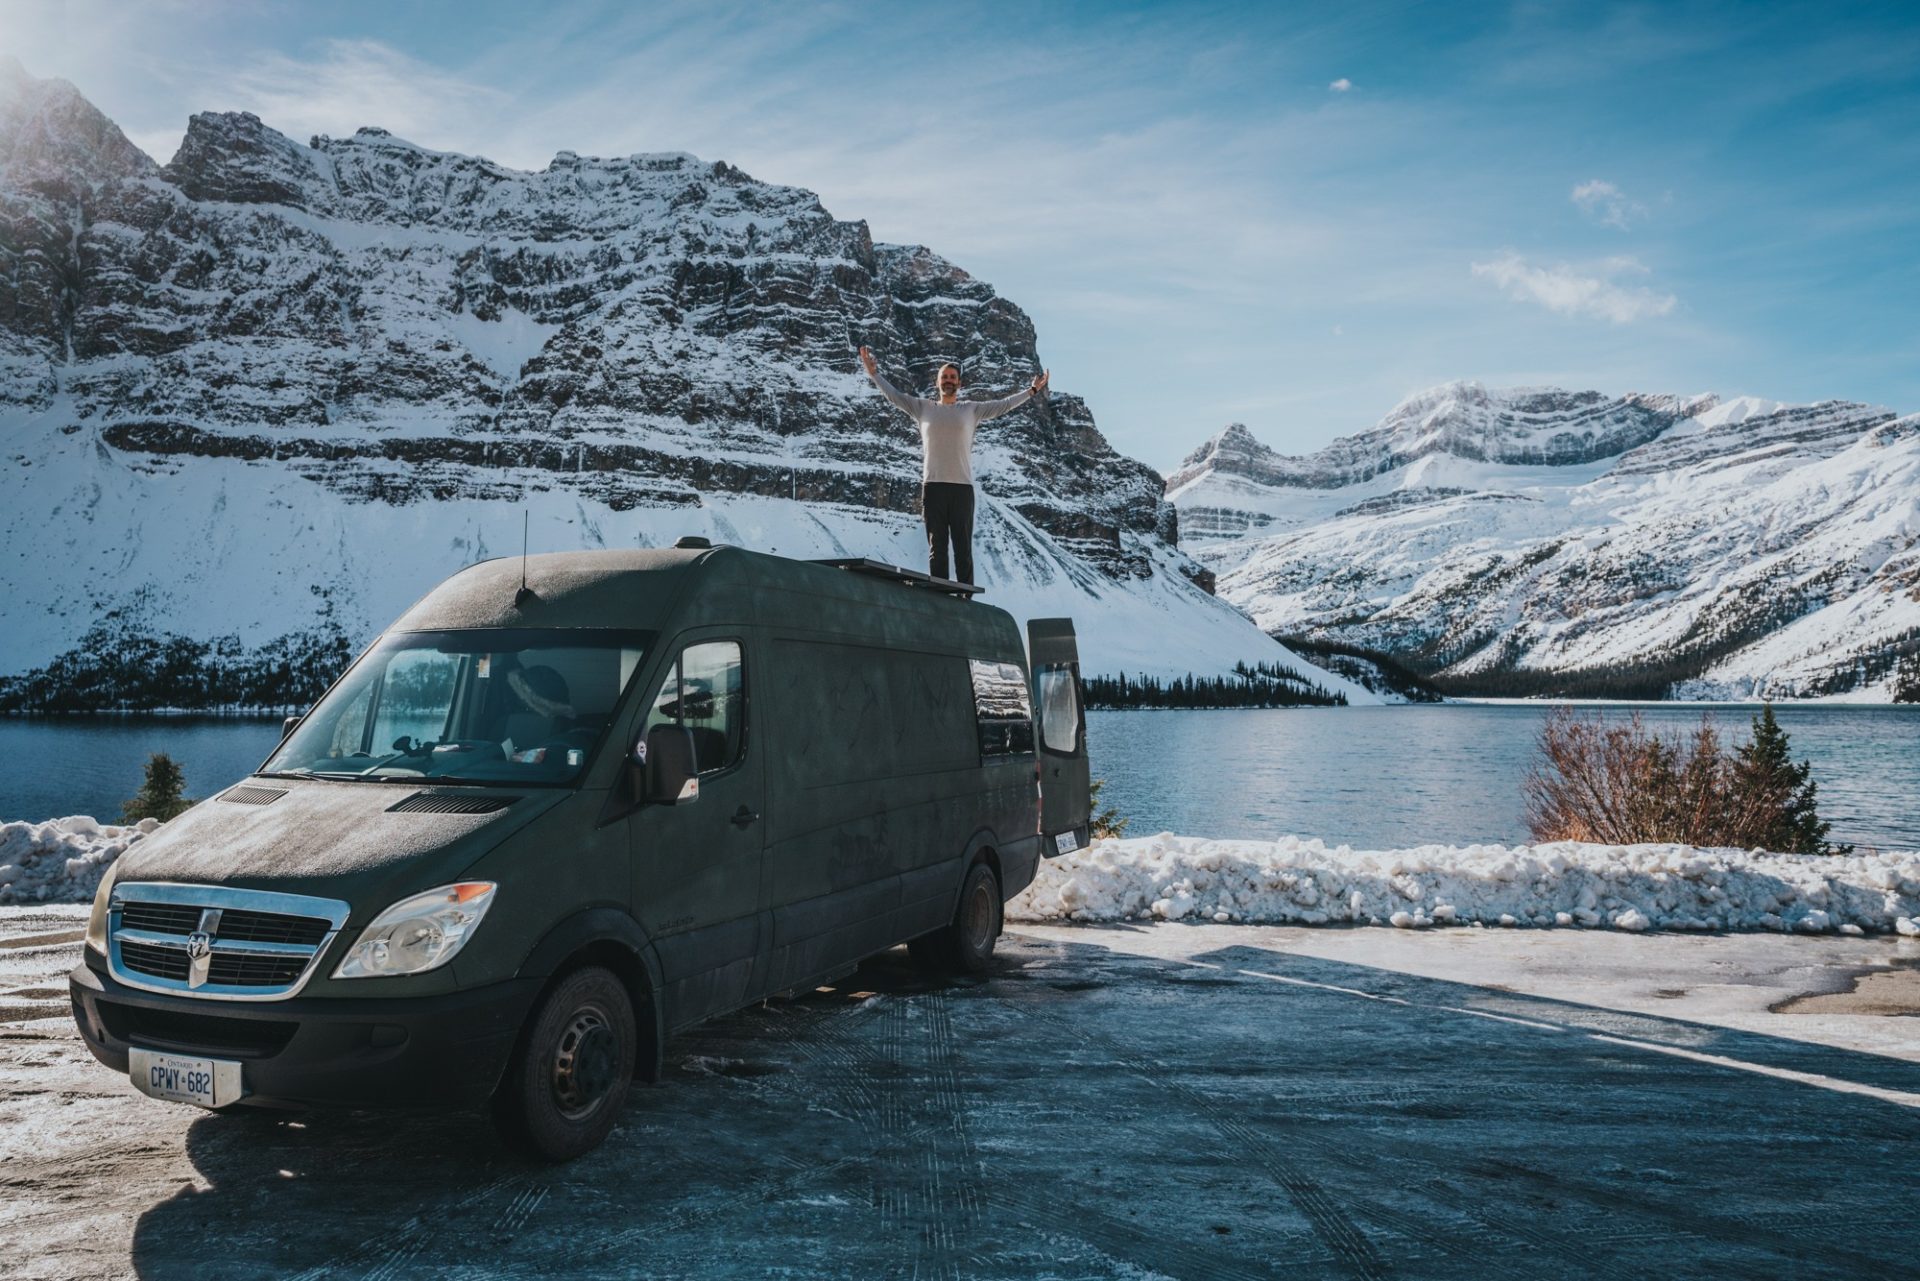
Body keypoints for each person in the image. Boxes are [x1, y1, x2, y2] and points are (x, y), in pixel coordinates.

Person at [860, 346, 1049, 586]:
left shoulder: (971, 409)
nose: (948, 381)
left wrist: (1032, 390)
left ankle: (965, 597)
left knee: (962, 548)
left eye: (952, 377)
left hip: (962, 488)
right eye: (944, 377)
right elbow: (895, 396)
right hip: (933, 487)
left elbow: (1004, 404)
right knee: (937, 548)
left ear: (959, 383)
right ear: (937, 383)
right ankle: (940, 598)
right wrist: (874, 374)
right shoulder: (922, 408)